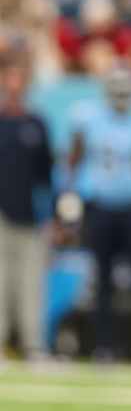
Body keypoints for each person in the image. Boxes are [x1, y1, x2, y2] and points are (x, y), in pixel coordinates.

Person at [65, 68, 131, 362]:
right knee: (101, 281)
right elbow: (75, 156)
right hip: (100, 206)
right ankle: (103, 346)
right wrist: (70, 194)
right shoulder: (88, 118)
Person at [0, 52, 54, 360]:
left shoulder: (37, 124)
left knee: (32, 283)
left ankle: (34, 344)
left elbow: (46, 174)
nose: (15, 85)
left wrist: (52, 215)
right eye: (11, 77)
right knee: (1, 282)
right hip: (1, 214)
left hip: (31, 214)